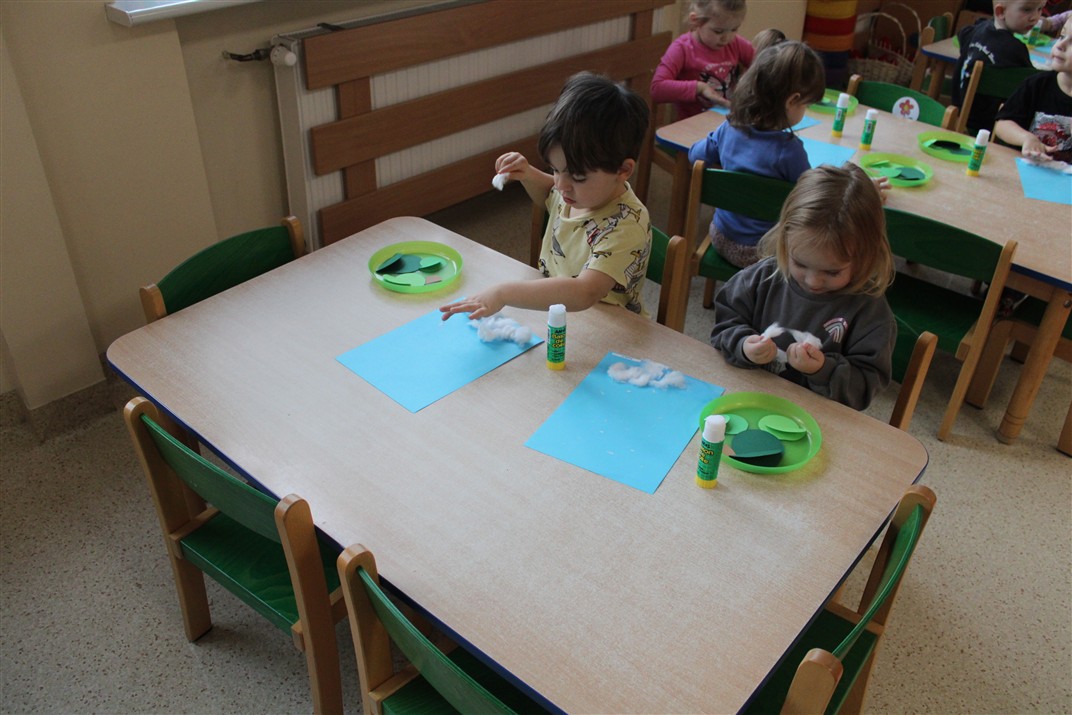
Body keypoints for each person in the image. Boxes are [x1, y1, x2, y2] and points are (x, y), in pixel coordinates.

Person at [439, 72, 651, 321]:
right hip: (561, 312)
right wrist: (527, 174)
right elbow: (550, 194)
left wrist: (503, 293)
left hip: (610, 327)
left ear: (623, 170)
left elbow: (584, 292)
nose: (561, 185)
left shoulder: (627, 225)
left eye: (577, 176)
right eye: (555, 169)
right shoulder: (579, 192)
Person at [709, 164, 896, 411]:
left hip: (816, 418)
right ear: (784, 240)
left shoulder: (870, 313)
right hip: (749, 400)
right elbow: (724, 325)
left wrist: (822, 369)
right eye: (799, 263)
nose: (812, 281)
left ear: (865, 259)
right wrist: (743, 345)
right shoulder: (764, 276)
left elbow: (863, 389)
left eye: (832, 272)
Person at [685, 40, 826, 268]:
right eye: (805, 105)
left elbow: (695, 155)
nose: (805, 110)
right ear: (792, 101)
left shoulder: (729, 128)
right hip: (762, 255)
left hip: (720, 237)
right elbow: (812, 197)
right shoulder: (790, 151)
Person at [952, 0, 1047, 133]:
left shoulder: (978, 28)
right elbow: (1032, 82)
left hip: (959, 113)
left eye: (1040, 9)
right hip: (990, 125)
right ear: (1001, 12)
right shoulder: (1014, 49)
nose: (1035, 17)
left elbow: (963, 33)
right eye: (1027, 10)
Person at [650, 0, 755, 119]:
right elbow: (657, 89)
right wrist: (700, 88)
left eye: (734, 29)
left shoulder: (735, 43)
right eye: (718, 31)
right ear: (696, 21)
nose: (726, 38)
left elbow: (762, 63)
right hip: (694, 125)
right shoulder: (682, 48)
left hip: (729, 120)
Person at [994, 14, 1072, 162]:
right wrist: (1026, 138)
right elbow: (1002, 124)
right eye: (1062, 36)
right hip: (1025, 168)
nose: (1060, 45)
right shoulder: (1038, 84)